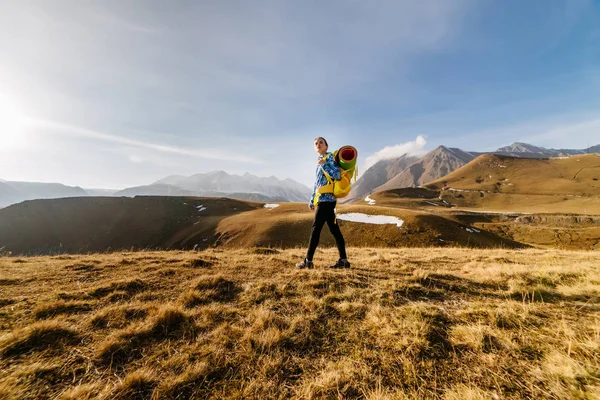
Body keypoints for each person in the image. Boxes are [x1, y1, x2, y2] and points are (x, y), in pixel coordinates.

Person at [296, 137, 350, 269]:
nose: (318, 144)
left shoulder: (329, 158)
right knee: (334, 230)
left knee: (316, 229)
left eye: (321, 142)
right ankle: (343, 260)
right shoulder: (319, 162)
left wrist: (323, 164)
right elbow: (317, 184)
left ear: (326, 146)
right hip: (322, 200)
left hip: (327, 200)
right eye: (316, 143)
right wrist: (312, 199)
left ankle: (308, 261)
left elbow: (337, 175)